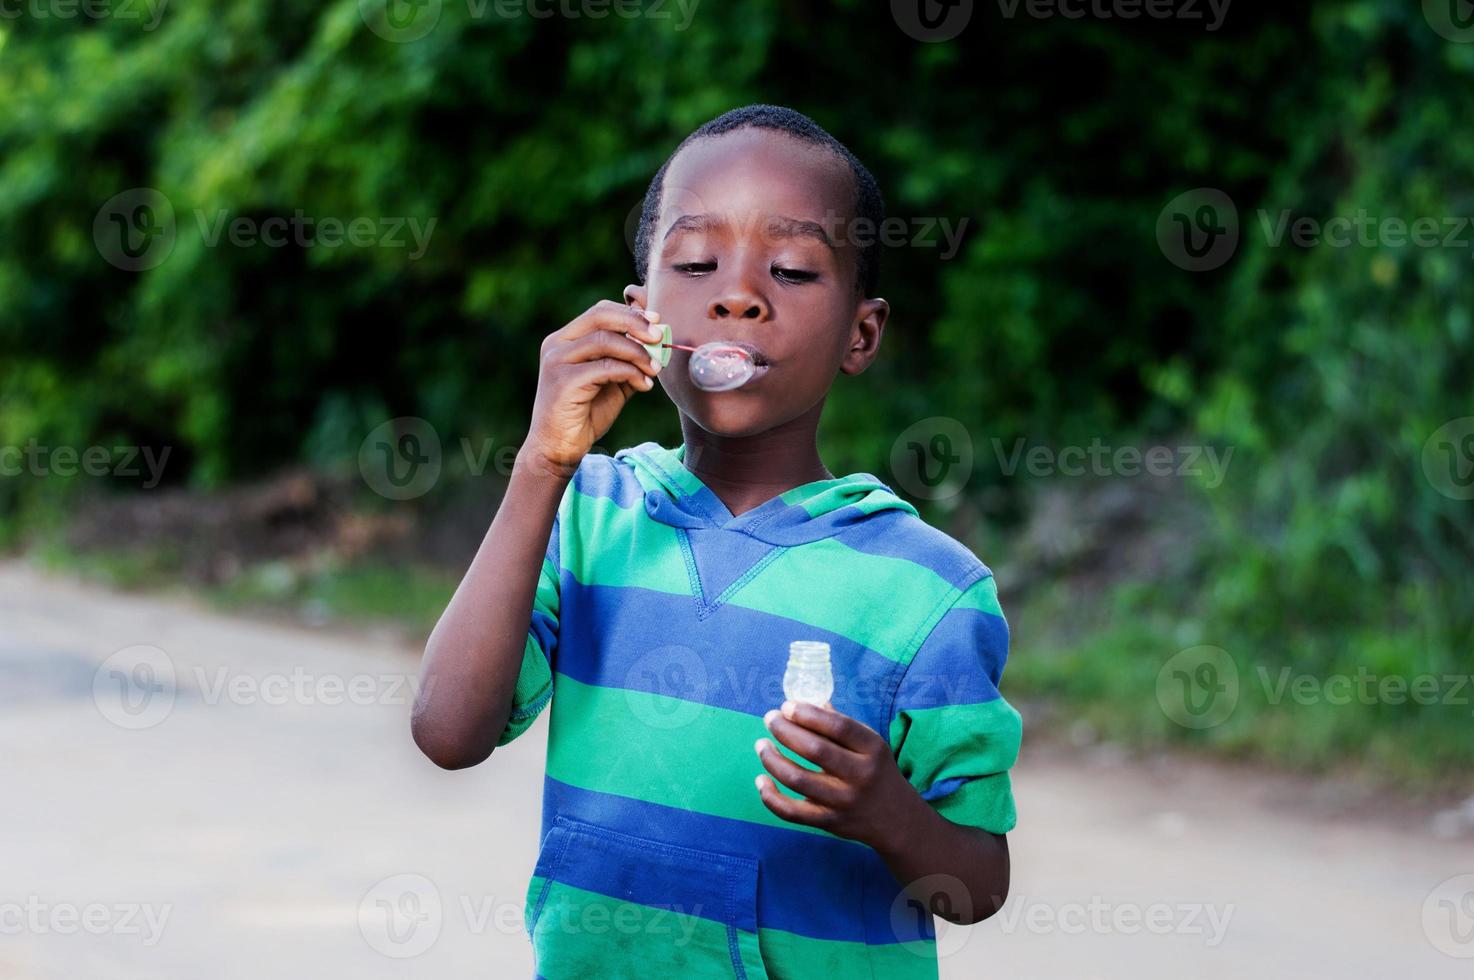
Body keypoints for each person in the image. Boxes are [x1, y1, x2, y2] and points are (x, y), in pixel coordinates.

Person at [412, 104, 1022, 979]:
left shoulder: (926, 588)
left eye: (793, 268)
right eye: (696, 262)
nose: (737, 294)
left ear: (862, 333)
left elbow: (977, 885)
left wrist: (887, 809)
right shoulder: (584, 515)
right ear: (640, 314)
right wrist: (541, 466)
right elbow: (447, 729)